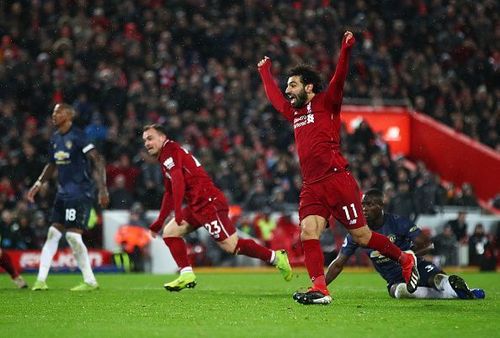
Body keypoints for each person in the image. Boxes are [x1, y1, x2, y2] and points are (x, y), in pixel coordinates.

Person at [258, 31, 419, 305]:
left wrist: (345, 50)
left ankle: (404, 258)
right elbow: (275, 100)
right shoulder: (294, 113)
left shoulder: (327, 102)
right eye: (287, 85)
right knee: (308, 232)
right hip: (311, 186)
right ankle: (320, 289)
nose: (288, 91)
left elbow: (339, 77)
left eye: (293, 85)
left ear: (309, 87)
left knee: (362, 236)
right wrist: (265, 72)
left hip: (337, 181)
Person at [142, 124, 292, 291]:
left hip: (209, 203)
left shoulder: (170, 150)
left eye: (150, 138)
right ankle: (186, 274)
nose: (147, 143)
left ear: (162, 138)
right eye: (144, 141)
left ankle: (276, 257)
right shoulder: (166, 156)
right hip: (196, 205)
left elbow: (178, 179)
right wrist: (160, 220)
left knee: (232, 246)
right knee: (170, 233)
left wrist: (177, 211)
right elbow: (170, 192)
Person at [325, 189, 485, 300]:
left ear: (381, 206)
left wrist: (410, 256)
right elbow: (339, 263)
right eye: (362, 205)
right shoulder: (358, 232)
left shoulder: (398, 223)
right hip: (395, 279)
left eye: (369, 205)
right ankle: (457, 292)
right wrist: (320, 286)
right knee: (399, 291)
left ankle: (453, 287)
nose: (364, 209)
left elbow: (428, 244)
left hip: (417, 267)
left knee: (436, 278)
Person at [27, 103, 109, 291]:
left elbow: (98, 159)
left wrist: (103, 189)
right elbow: (51, 164)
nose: (54, 116)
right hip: (62, 194)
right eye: (53, 112)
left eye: (58, 112)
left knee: (72, 236)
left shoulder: (79, 136)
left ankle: (90, 281)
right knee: (53, 233)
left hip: (80, 193)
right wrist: (38, 184)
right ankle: (40, 280)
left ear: (69, 115)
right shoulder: (55, 138)